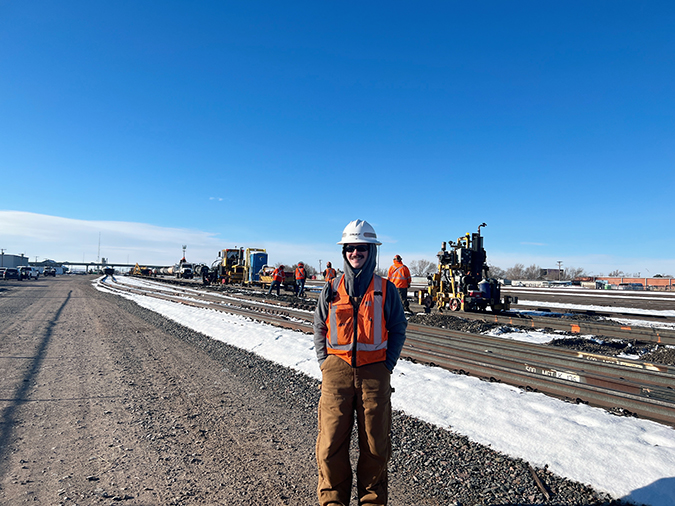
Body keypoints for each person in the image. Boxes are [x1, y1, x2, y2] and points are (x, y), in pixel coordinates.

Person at [314, 219, 407, 506]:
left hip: (374, 376)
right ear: (344, 252)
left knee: (375, 446)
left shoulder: (386, 289)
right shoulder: (331, 288)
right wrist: (325, 362)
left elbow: (398, 328)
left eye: (361, 249)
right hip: (336, 374)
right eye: (350, 248)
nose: (355, 254)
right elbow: (319, 326)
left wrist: (386, 365)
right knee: (330, 445)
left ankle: (371, 502)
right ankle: (332, 502)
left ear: (371, 251)